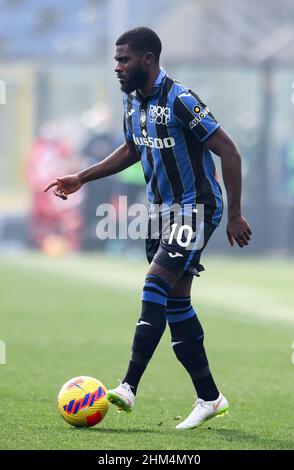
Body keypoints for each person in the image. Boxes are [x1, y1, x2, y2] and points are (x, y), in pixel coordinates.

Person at [44, 27, 252, 430]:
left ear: (148, 60)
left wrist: (235, 213)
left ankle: (128, 385)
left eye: (124, 59)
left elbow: (228, 150)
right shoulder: (131, 99)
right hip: (159, 213)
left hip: (196, 209)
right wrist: (82, 177)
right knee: (176, 304)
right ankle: (210, 397)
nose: (117, 67)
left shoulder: (181, 99)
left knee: (153, 285)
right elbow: (132, 148)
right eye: (116, 59)